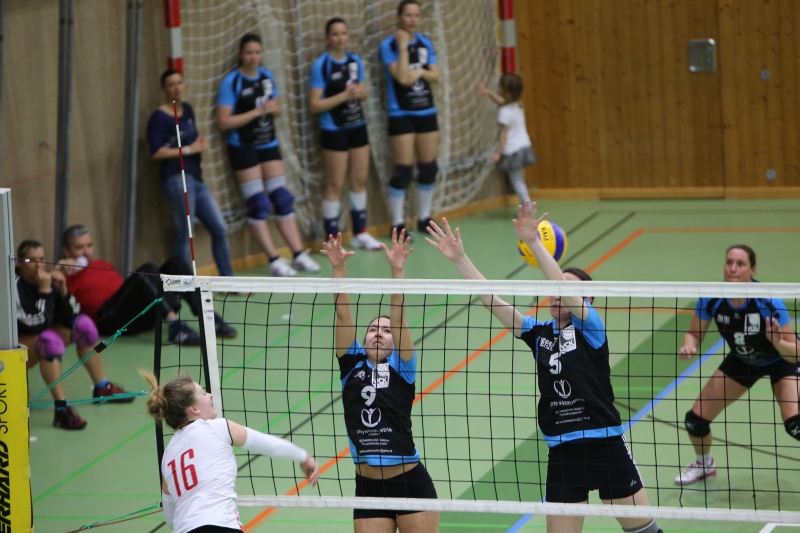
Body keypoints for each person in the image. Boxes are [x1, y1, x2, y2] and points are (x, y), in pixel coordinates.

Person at [426, 202, 662, 533]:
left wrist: (534, 242)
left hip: (606, 447)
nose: (556, 293)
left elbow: (563, 287)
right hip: (563, 454)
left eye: (565, 287)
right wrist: (460, 259)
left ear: (586, 300)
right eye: (554, 287)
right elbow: (493, 301)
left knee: (645, 532)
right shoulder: (540, 334)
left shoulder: (591, 329)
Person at [321, 229, 439, 533]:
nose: (379, 333)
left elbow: (399, 318)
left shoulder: (403, 367)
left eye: (386, 331)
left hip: (410, 483)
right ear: (363, 341)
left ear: (394, 341)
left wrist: (397, 270)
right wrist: (338, 267)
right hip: (369, 488)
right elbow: (343, 315)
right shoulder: (351, 364)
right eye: (373, 329)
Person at [675, 244, 800, 485]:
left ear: (752, 270)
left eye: (740, 264)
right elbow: (694, 333)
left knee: (795, 424)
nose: (733, 268)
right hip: (743, 359)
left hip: (781, 359)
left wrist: (777, 342)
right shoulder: (711, 298)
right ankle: (704, 464)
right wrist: (690, 346)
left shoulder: (769, 301)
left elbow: (796, 353)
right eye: (729, 262)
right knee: (695, 421)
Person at [140, 370, 320, 533]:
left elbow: (170, 520)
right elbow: (269, 445)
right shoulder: (218, 428)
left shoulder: (168, 457)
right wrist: (304, 457)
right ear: (194, 409)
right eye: (203, 393)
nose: (210, 395)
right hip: (221, 526)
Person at [217, 33, 320, 277]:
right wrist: (255, 112)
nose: (253, 57)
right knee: (258, 203)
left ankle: (297, 254)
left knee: (282, 199)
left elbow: (276, 107)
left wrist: (275, 109)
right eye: (249, 53)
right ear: (241, 55)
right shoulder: (232, 82)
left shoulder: (266, 77)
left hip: (268, 143)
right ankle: (274, 259)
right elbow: (224, 121)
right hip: (243, 146)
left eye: (257, 52)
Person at [16, 240, 132, 430]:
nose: (38, 265)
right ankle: (61, 409)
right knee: (49, 341)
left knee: (84, 326)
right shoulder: (15, 286)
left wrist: (62, 289)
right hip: (16, 347)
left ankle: (102, 387)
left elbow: (74, 313)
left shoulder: (46, 279)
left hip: (38, 335)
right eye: (31, 260)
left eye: (42, 259)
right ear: (19, 262)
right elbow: (37, 325)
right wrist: (45, 291)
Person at [59, 225, 236, 345]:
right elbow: (57, 297)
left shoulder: (102, 264)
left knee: (176, 264)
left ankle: (209, 318)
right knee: (147, 271)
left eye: (89, 246)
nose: (86, 252)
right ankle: (175, 327)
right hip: (110, 320)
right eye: (79, 248)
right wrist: (61, 269)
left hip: (135, 312)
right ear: (67, 250)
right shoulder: (64, 276)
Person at [146, 68, 234, 277]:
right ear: (164, 90)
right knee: (185, 233)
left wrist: (199, 143)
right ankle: (185, 285)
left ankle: (227, 279)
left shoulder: (187, 109)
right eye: (171, 85)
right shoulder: (158, 118)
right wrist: (187, 150)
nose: (177, 88)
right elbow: (156, 152)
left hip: (196, 177)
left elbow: (192, 139)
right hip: (177, 179)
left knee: (219, 227)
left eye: (180, 83)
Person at [309, 17, 382, 251]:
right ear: (327, 37)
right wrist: (342, 96)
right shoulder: (321, 66)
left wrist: (360, 92)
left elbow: (364, 93)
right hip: (334, 130)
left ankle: (360, 232)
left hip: (357, 126)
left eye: (343, 33)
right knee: (335, 184)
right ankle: (332, 241)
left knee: (359, 179)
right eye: (335, 34)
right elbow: (314, 104)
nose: (340, 38)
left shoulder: (355, 61)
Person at [380, 0, 440, 238]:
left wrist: (422, 71)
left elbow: (436, 76)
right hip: (401, 114)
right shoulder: (389, 45)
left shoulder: (425, 42)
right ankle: (397, 223)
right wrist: (404, 48)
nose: (412, 20)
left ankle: (424, 218)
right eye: (408, 15)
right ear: (399, 17)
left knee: (429, 168)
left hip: (426, 111)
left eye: (416, 15)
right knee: (403, 170)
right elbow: (403, 78)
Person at [476, 74, 537, 204]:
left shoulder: (504, 112)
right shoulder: (518, 105)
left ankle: (528, 207)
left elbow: (503, 134)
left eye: (500, 87)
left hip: (513, 151)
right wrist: (489, 93)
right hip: (524, 147)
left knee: (517, 181)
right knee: (519, 179)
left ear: (506, 92)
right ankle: (526, 206)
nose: (498, 88)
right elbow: (501, 101)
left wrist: (498, 154)